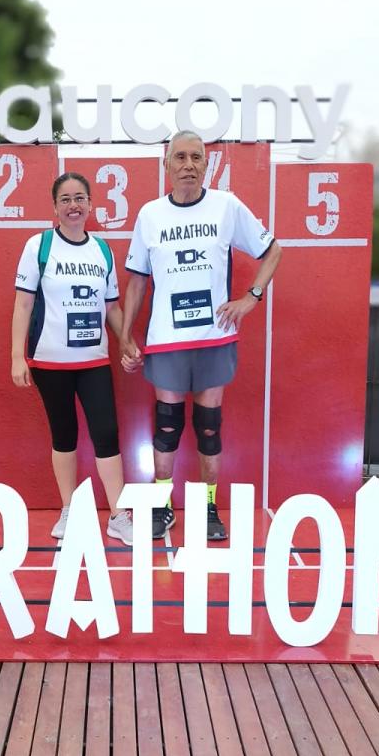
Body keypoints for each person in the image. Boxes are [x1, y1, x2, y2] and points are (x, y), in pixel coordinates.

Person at [120, 130, 282, 540]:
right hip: (167, 341)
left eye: (196, 157)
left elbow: (272, 250)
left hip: (214, 338)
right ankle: (162, 504)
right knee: (167, 427)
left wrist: (251, 298)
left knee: (209, 427)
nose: (188, 164)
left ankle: (208, 506)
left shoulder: (226, 206)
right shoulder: (150, 215)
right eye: (180, 157)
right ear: (167, 165)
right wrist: (125, 335)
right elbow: (137, 281)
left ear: (206, 164)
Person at [11, 171, 132, 545]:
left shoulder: (102, 250)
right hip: (49, 362)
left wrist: (126, 340)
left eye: (80, 198)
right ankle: (68, 510)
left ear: (91, 205)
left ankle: (117, 515)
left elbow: (111, 306)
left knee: (107, 435)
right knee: (64, 436)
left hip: (94, 360)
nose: (73, 205)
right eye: (65, 199)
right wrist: (18, 356)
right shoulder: (39, 246)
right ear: (55, 207)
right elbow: (24, 303)